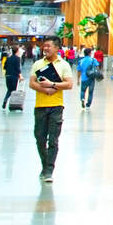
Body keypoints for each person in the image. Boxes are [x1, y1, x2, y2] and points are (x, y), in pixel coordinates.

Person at [29, 36, 74, 183]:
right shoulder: (37, 64)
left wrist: (52, 84)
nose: (45, 48)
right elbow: (32, 83)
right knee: (40, 138)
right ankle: (45, 164)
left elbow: (69, 84)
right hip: (40, 106)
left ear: (56, 48)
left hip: (56, 106)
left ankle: (49, 170)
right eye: (44, 46)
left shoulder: (64, 65)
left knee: (53, 140)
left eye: (48, 46)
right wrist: (45, 90)